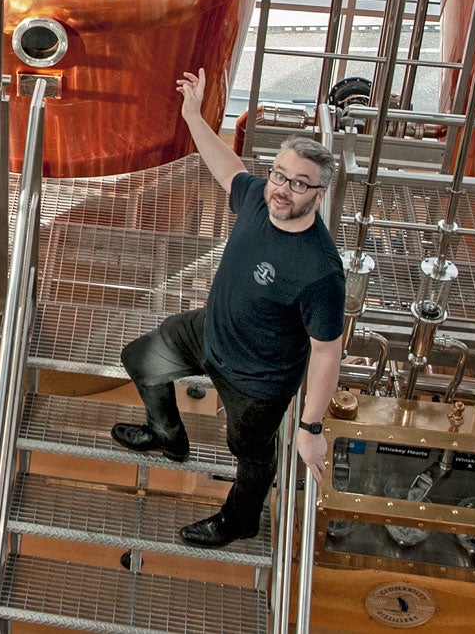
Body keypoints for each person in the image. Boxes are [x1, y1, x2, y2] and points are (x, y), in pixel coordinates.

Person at [111, 68, 345, 550]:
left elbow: (326, 353)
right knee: (140, 359)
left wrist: (311, 428)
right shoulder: (260, 201)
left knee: (249, 452)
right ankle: (167, 433)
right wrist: (193, 115)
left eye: (299, 184)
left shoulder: (320, 270)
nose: (282, 188)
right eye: (280, 174)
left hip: (257, 380)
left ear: (319, 195)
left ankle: (240, 519)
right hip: (208, 334)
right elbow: (226, 166)